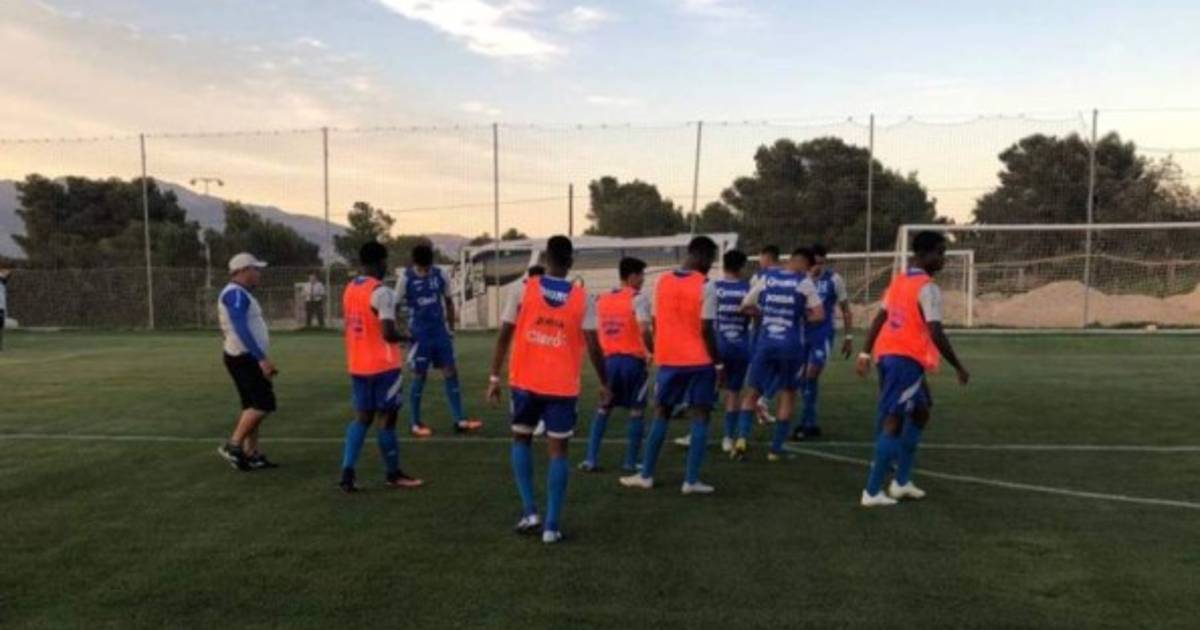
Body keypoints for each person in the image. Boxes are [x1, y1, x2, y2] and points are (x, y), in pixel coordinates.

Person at [486, 236, 609, 544]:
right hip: (562, 386)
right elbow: (594, 345)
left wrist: (494, 377)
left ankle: (530, 513)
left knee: (521, 439)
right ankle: (552, 527)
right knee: (559, 452)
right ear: (570, 262)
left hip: (525, 382)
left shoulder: (522, 290)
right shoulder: (583, 298)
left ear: (545, 260)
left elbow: (504, 335)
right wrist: (605, 383)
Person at [856, 231, 970, 507]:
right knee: (893, 421)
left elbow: (881, 317)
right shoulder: (927, 288)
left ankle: (901, 482)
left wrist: (865, 352)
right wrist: (959, 366)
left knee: (921, 411)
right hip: (903, 359)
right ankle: (872, 492)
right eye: (940, 253)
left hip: (890, 355)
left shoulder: (900, 281)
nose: (942, 259)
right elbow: (935, 331)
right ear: (924, 254)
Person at [620, 236, 722, 495]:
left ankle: (646, 475)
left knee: (661, 413)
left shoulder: (662, 281)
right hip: (699, 360)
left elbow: (655, 321)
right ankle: (691, 480)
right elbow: (706, 328)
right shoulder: (706, 285)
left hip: (670, 360)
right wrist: (718, 362)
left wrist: (660, 349)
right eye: (710, 259)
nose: (711, 264)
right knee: (701, 414)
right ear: (700, 255)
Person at [338, 242, 423, 493]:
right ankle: (393, 474)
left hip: (358, 364)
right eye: (385, 261)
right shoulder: (381, 292)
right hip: (383, 365)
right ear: (379, 262)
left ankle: (347, 473)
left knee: (362, 418)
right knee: (387, 419)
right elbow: (387, 333)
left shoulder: (350, 288)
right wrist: (407, 337)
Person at [733, 247, 824, 462]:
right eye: (808, 267)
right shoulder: (803, 282)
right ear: (803, 263)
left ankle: (741, 440)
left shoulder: (766, 278)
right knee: (788, 394)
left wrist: (765, 314)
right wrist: (800, 317)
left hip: (766, 344)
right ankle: (775, 450)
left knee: (752, 392)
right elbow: (819, 315)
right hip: (791, 346)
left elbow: (744, 306)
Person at [396, 243, 483, 437]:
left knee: (451, 371)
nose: (425, 271)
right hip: (419, 335)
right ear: (415, 263)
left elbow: (449, 302)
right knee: (419, 375)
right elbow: (394, 305)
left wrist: (451, 329)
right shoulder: (405, 278)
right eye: (421, 268)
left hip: (439, 332)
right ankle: (415, 423)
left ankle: (460, 420)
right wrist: (402, 330)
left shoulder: (440, 274)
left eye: (427, 267)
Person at [580, 257, 653, 473]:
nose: (643, 280)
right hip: (633, 362)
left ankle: (591, 459)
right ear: (632, 276)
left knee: (603, 408)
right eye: (641, 275)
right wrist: (652, 350)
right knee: (636, 412)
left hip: (609, 362)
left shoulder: (602, 299)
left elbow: (594, 330)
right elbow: (643, 329)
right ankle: (630, 462)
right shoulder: (638, 298)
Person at [216, 253, 280, 471]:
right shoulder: (235, 294)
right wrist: (261, 359)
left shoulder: (238, 293)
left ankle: (251, 453)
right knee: (263, 404)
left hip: (242, 356)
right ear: (243, 271)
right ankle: (233, 445)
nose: (259, 273)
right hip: (245, 357)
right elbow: (240, 328)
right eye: (255, 269)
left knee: (252, 406)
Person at [795, 244, 854, 440]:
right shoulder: (800, 280)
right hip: (801, 334)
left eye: (821, 263)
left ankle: (806, 423)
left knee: (811, 373)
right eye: (814, 263)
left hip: (823, 335)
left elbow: (846, 309)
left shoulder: (834, 279)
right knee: (803, 379)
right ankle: (810, 422)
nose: (817, 267)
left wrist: (848, 336)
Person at [713, 250, 752, 454]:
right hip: (740, 346)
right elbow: (757, 314)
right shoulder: (748, 288)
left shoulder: (714, 287)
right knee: (733, 392)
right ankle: (728, 437)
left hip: (716, 346)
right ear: (742, 267)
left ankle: (696, 432)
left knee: (707, 389)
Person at [0, 268, 9, 351]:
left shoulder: (3, 283)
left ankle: (1, 346)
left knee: (1, 327)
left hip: (1, 307)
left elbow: (6, 277)